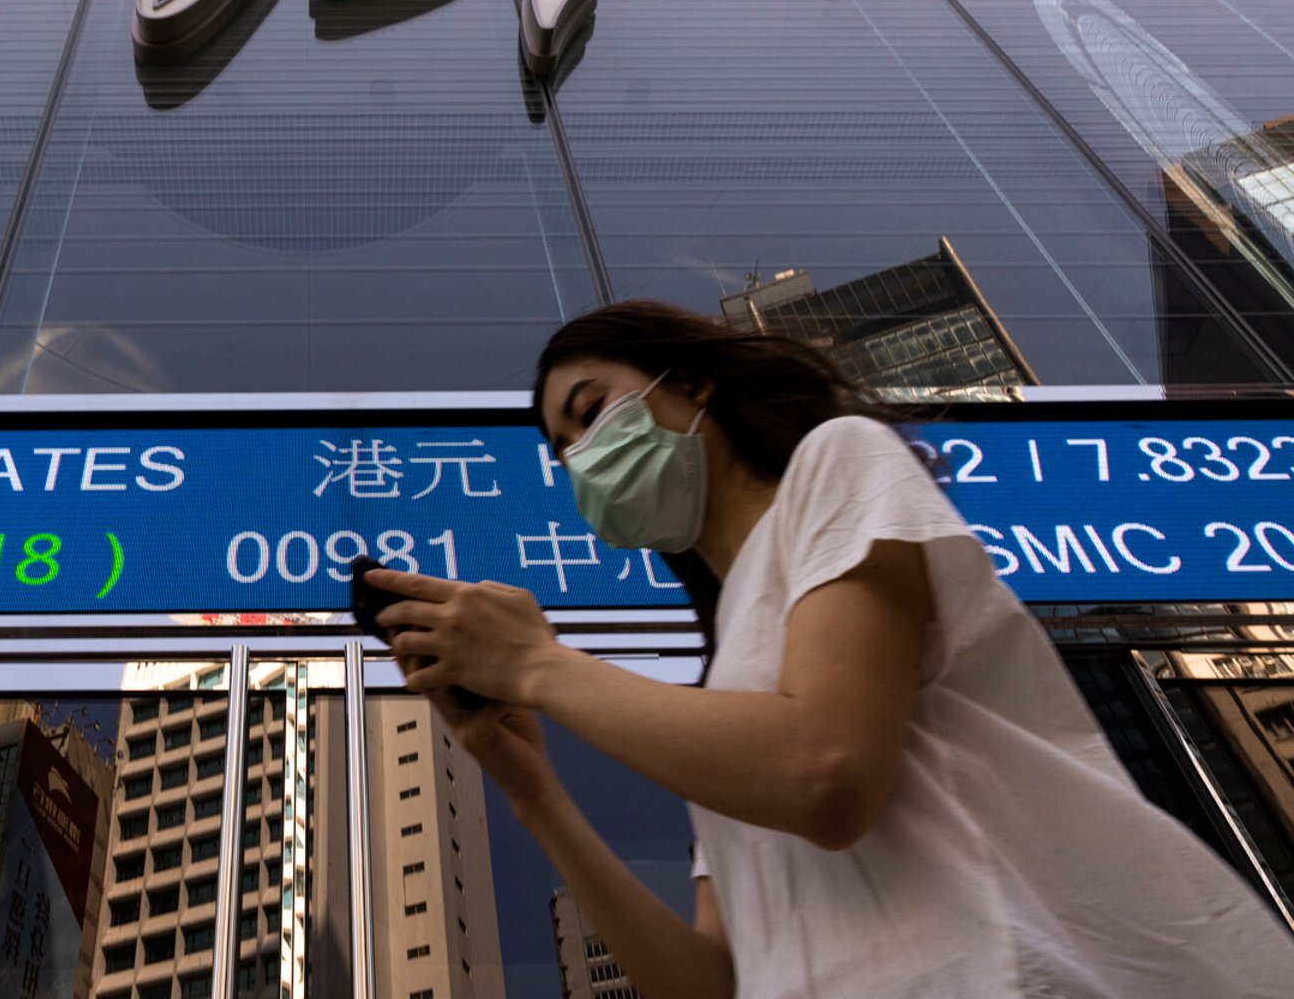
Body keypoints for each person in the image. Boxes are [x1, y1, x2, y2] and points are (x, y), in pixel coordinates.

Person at [367, 299, 1294, 998]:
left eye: (591, 408)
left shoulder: (837, 463)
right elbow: (714, 982)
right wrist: (530, 786)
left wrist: (539, 664)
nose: (581, 457)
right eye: (563, 449)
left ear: (692, 384)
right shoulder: (725, 689)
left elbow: (826, 773)